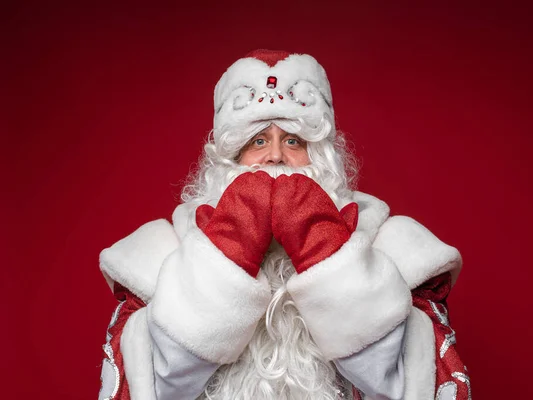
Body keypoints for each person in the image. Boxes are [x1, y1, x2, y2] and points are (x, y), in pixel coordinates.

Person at [97, 49, 470, 400]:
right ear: (232, 158)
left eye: (293, 140)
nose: (275, 156)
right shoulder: (158, 258)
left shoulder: (396, 250)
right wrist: (228, 249)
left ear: (320, 155)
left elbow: (413, 385)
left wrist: (325, 249)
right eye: (258, 140)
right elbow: (154, 388)